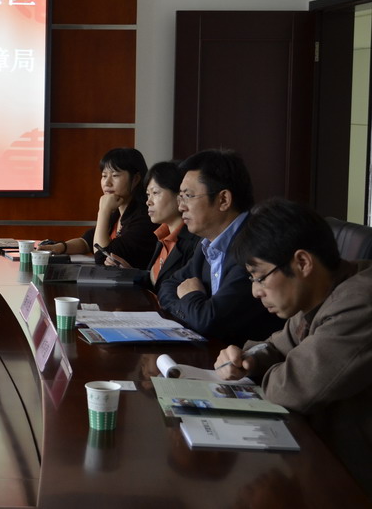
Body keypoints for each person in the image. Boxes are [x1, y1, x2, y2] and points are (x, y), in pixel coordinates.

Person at [214, 198, 372, 496]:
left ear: (302, 263)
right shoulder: (317, 295)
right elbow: (276, 346)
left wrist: (272, 366)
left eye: (260, 277)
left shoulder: (360, 300)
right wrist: (248, 359)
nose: (255, 291)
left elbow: (292, 388)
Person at [157, 149, 282, 345]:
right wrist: (195, 308)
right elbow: (168, 286)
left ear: (223, 200)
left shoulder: (254, 243)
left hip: (250, 358)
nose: (181, 207)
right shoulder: (207, 244)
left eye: (188, 196)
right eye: (180, 197)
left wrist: (191, 296)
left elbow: (209, 322)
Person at [38, 147, 157, 269]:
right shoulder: (118, 212)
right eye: (104, 176)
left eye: (115, 175)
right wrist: (59, 247)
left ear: (136, 179)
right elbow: (87, 242)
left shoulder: (145, 217)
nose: (107, 183)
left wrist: (103, 211)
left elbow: (101, 256)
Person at [105, 161, 200, 290]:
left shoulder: (194, 243)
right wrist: (130, 273)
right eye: (148, 195)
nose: (148, 202)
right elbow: (157, 283)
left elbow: (172, 290)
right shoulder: (162, 236)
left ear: (179, 196)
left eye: (155, 193)